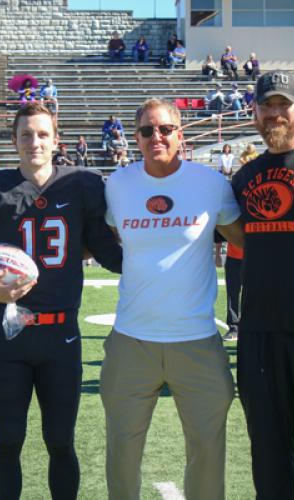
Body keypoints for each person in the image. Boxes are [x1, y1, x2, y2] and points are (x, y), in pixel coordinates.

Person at [0, 102, 122, 500]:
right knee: (8, 439)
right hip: (10, 334)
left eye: (43, 134)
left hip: (61, 335)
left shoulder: (83, 183)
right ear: (14, 140)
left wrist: (156, 259)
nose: (35, 142)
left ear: (56, 139)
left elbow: (106, 251)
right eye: (26, 134)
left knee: (60, 441)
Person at [101, 98, 244, 500]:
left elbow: (245, 241)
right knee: (122, 457)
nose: (156, 137)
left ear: (181, 134)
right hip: (132, 339)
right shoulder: (118, 184)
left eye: (165, 129)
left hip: (196, 340)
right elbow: (105, 239)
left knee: (207, 454)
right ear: (135, 138)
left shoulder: (210, 184)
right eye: (147, 131)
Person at [231, 69, 294, 500]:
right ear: (254, 111)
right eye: (266, 105)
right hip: (260, 336)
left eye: (282, 105)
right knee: (269, 468)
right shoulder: (243, 178)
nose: (275, 114)